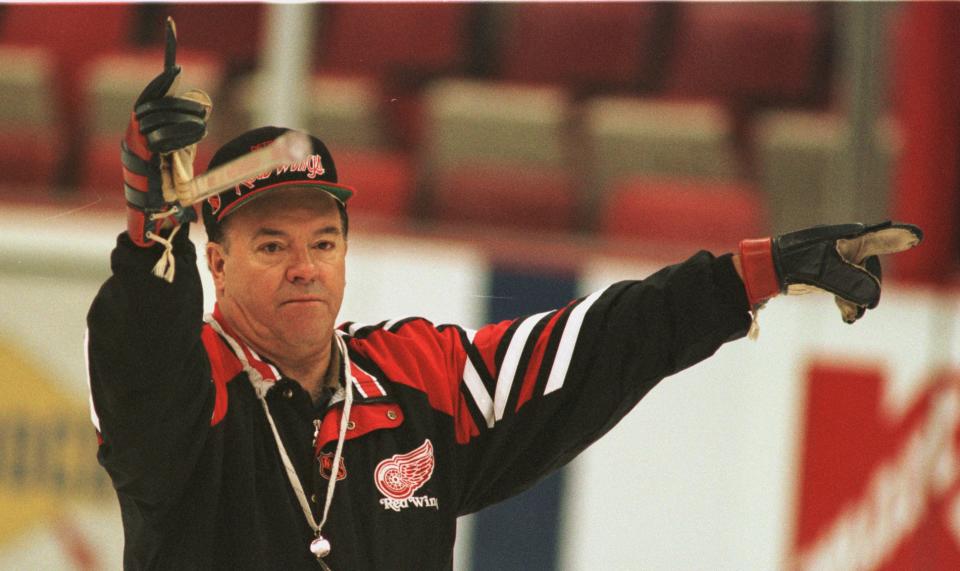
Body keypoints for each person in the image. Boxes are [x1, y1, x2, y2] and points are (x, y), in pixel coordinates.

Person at [85, 23, 922, 571]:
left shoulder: (415, 372)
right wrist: (146, 234)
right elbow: (139, 364)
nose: (305, 265)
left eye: (324, 241)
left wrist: (752, 273)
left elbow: (596, 345)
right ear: (217, 262)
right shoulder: (189, 387)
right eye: (271, 245)